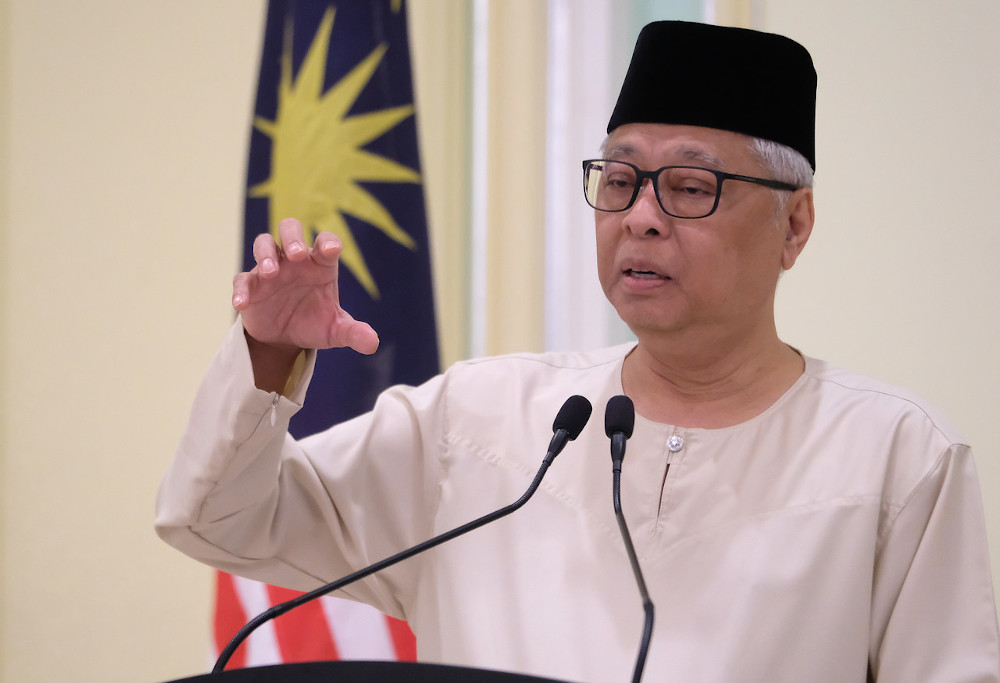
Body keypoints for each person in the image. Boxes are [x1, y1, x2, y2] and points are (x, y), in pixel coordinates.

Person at [156, 20, 1000, 682]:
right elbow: (217, 518)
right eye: (622, 179)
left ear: (796, 224)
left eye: (691, 186)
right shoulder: (479, 422)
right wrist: (266, 350)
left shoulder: (895, 455)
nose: (640, 215)